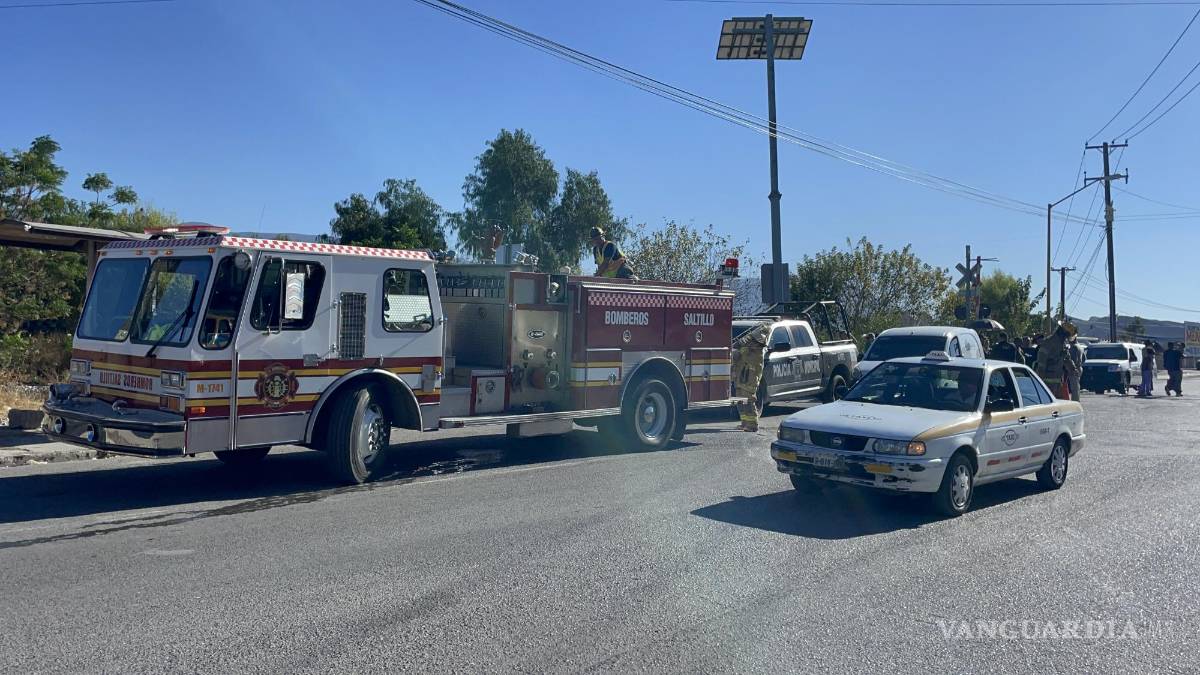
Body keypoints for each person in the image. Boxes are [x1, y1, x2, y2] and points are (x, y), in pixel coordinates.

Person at [733, 324, 768, 432]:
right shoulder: (749, 348)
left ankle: (753, 425)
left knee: (748, 399)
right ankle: (744, 422)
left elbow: (746, 357)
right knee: (740, 400)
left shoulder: (757, 351)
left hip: (750, 378)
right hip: (741, 376)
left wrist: (741, 349)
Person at [1035, 323, 1073, 399]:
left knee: (1059, 402)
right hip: (1047, 381)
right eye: (1066, 335)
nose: (1067, 338)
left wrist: (1073, 368)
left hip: (1059, 380)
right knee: (1048, 401)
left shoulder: (1062, 343)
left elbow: (1067, 357)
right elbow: (1041, 361)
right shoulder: (1048, 342)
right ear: (1062, 333)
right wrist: (1040, 381)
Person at [1064, 335, 1083, 402]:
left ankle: (1075, 401)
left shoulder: (1073, 347)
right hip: (1079, 367)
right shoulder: (1080, 346)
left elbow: (1072, 359)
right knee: (1076, 386)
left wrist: (1072, 368)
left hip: (1074, 369)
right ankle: (1077, 400)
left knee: (1074, 387)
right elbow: (1084, 358)